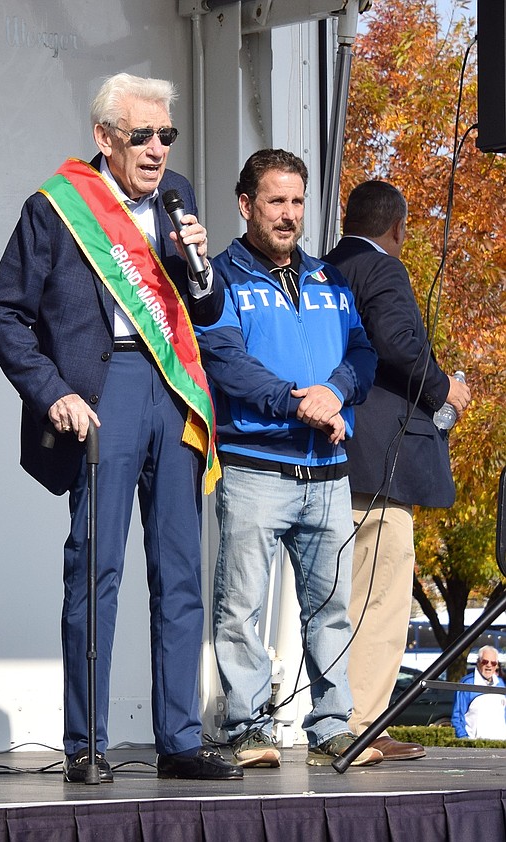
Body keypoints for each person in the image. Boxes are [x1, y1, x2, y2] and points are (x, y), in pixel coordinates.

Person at [0, 72, 242, 783]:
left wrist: (202, 266)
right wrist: (51, 392)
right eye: (142, 136)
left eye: (166, 135)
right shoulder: (59, 208)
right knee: (96, 571)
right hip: (102, 392)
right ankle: (86, 745)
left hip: (173, 391)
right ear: (104, 137)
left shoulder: (177, 199)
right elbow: (2, 311)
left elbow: (208, 314)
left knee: (182, 570)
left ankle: (179, 741)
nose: (157, 149)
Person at [195, 149, 381, 768]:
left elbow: (363, 353)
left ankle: (333, 725)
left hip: (327, 474)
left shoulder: (330, 278)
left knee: (331, 611)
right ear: (246, 205)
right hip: (255, 470)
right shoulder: (220, 278)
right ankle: (247, 727)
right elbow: (224, 358)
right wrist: (295, 402)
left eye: (297, 202)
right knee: (241, 609)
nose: (289, 214)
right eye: (276, 201)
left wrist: (336, 393)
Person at [323, 180, 472, 761]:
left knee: (344, 597)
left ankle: (344, 720)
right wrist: (447, 392)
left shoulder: (321, 268)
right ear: (398, 230)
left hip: (334, 453)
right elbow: (401, 344)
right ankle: (361, 724)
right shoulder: (383, 269)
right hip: (381, 461)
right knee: (381, 597)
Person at [451, 647, 506, 739]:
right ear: (478, 662)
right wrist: (465, 741)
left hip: (500, 745)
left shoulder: (500, 683)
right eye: (485, 661)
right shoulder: (467, 683)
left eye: (493, 663)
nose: (489, 665)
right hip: (477, 747)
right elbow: (457, 718)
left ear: (496, 665)